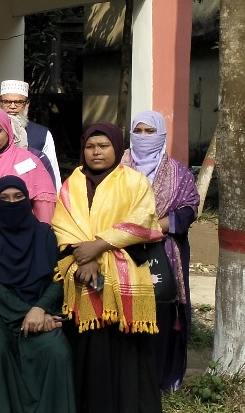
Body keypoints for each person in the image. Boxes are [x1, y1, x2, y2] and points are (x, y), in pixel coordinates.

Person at [54, 123, 164, 413]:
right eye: (90, 147)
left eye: (103, 146)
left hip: (124, 273)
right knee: (89, 347)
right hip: (83, 272)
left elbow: (143, 221)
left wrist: (100, 245)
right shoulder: (72, 183)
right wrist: (86, 256)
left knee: (124, 347)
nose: (96, 152)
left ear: (116, 147)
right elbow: (63, 224)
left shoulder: (134, 181)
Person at [0, 175, 75, 413]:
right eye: (5, 198)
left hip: (39, 309)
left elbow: (58, 278)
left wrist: (40, 308)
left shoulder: (44, 234)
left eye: (18, 197)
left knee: (57, 350)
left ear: (28, 200)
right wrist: (28, 313)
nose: (12, 203)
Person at [122, 110, 201, 392]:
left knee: (161, 314)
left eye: (150, 131)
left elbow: (189, 208)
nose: (143, 137)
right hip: (120, 249)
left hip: (164, 253)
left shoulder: (178, 173)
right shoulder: (117, 168)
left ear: (162, 135)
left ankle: (158, 380)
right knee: (124, 312)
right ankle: (125, 379)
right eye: (138, 131)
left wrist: (153, 227)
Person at [0, 109, 57, 223]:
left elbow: (44, 206)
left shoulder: (28, 161)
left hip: (20, 230)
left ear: (8, 130)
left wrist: (42, 232)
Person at [0, 80, 63, 186]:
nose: (12, 106)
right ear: (0, 103)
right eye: (7, 102)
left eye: (19, 102)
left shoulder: (42, 135)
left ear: (27, 104)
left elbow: (52, 172)